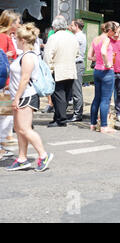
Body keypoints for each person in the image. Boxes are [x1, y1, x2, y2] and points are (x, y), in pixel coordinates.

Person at [6, 23, 54, 172]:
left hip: (25, 96)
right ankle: (22, 158)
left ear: (24, 40)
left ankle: (43, 155)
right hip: (21, 95)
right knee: (19, 129)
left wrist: (16, 98)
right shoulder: (24, 55)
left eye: (17, 38)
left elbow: (25, 79)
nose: (15, 40)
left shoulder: (28, 57)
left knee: (25, 129)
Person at [44, 15, 79, 127]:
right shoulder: (73, 37)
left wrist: (47, 70)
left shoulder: (53, 38)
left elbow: (48, 56)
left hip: (57, 70)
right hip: (71, 70)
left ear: (55, 27)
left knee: (58, 96)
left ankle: (61, 120)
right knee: (65, 95)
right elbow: (77, 54)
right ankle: (57, 117)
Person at [87, 21, 116, 133]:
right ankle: (104, 126)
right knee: (105, 99)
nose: (114, 34)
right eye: (113, 32)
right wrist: (107, 63)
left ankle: (93, 124)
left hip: (97, 71)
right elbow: (104, 52)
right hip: (106, 71)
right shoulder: (106, 39)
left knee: (97, 98)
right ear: (109, 30)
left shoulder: (95, 39)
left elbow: (89, 56)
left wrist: (97, 59)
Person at [0, 9, 19, 158]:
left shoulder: (7, 36)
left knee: (5, 115)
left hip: (6, 80)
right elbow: (3, 60)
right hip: (5, 82)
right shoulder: (3, 37)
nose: (19, 24)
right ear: (10, 23)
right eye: (17, 22)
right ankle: (1, 146)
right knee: (4, 116)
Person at [67, 18, 87, 122]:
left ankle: (78, 114)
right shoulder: (76, 36)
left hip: (77, 65)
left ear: (76, 26)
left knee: (76, 90)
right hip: (74, 64)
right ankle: (76, 112)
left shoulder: (78, 37)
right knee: (73, 90)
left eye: (71, 25)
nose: (69, 27)